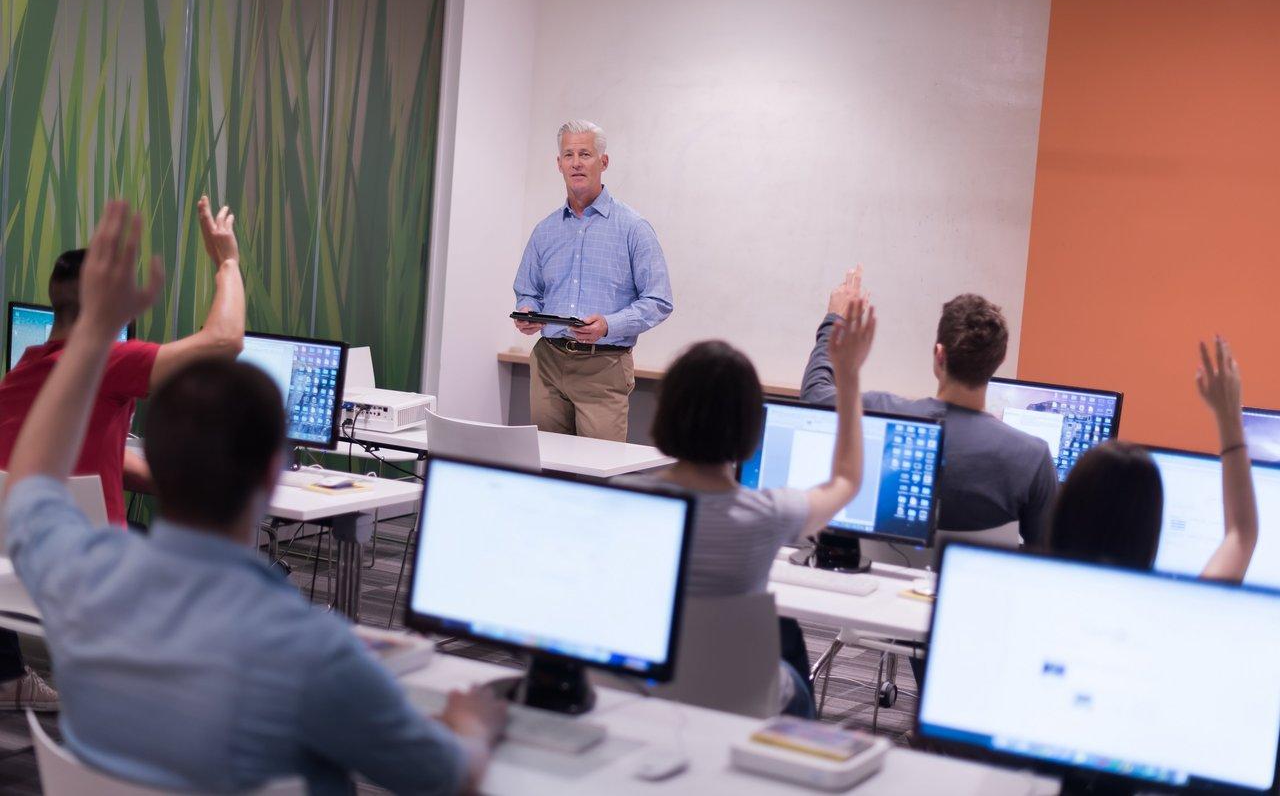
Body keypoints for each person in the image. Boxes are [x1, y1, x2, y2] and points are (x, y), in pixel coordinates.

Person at [2, 201, 506, 794]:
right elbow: (448, 776)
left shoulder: (75, 578)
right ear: (273, 474)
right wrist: (470, 725)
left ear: (152, 456)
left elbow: (30, 482)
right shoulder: (314, 651)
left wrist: (89, 332)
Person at [0, 195, 243, 712]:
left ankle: (8, 677)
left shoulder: (19, 376)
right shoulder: (108, 362)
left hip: (14, 568)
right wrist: (227, 263)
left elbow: (73, 464)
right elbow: (225, 342)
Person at [619, 298, 876, 717]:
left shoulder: (623, 501)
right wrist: (847, 375)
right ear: (752, 427)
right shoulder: (769, 514)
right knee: (789, 655)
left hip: (639, 690)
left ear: (664, 412)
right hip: (740, 698)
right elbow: (846, 480)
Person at [803, 268, 1057, 544]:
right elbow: (1047, 552)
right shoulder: (1033, 458)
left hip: (877, 570)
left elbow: (815, 395)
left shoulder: (879, 413)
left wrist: (835, 320)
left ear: (939, 355)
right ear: (999, 360)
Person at [513, 119, 673, 442]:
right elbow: (528, 291)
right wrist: (528, 310)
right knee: (547, 463)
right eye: (568, 155)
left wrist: (609, 325)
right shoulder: (545, 230)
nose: (576, 163)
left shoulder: (633, 228)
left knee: (599, 468)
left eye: (585, 154)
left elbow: (659, 300)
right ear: (559, 164)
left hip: (604, 365)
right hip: (548, 364)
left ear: (604, 161)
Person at [1048, 336, 1257, 581]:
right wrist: (1228, 416)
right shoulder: (1178, 604)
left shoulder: (1021, 586)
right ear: (1151, 530)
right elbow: (1241, 533)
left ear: (1061, 512)